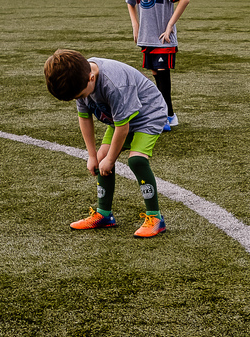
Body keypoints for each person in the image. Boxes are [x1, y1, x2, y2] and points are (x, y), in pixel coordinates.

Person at [44, 49, 168, 237]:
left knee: (136, 160)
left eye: (81, 95)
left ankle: (155, 218)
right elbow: (84, 117)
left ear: (91, 78)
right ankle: (104, 215)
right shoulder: (78, 79)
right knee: (101, 159)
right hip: (120, 119)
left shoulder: (114, 85)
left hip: (149, 114)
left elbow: (123, 128)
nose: (81, 99)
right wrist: (92, 155)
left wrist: (110, 160)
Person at [127, 0, 190, 131]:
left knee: (162, 73)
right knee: (155, 73)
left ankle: (163, 117)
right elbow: (130, 2)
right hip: (146, 37)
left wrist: (170, 25)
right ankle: (170, 115)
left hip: (164, 38)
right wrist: (135, 25)